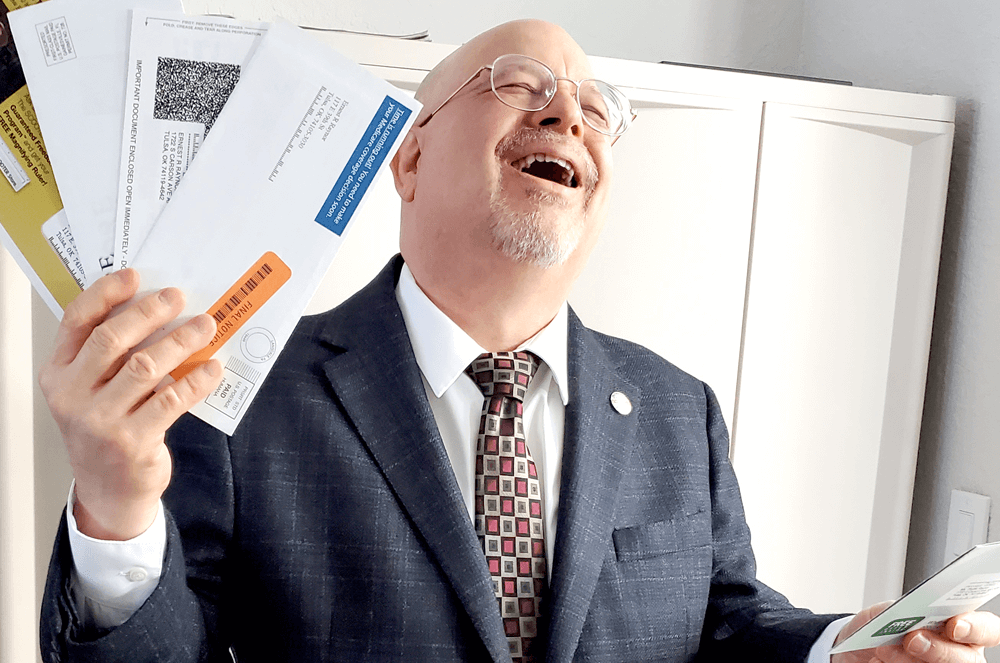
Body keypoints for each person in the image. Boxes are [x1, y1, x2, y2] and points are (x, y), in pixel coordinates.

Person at [37, 19, 999, 663]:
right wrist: (118, 514)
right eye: (521, 83)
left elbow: (728, 623)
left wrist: (841, 646)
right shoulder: (238, 390)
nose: (569, 112)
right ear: (407, 156)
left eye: (594, 106)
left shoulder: (679, 409)